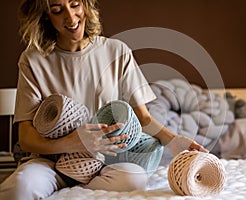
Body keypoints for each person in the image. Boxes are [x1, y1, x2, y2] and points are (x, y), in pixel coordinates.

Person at [0, 0, 208, 199]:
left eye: (75, 5)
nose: (71, 16)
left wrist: (175, 141)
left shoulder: (117, 51)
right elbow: (26, 138)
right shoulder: (33, 60)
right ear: (45, 16)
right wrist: (71, 143)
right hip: (49, 164)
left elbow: (142, 118)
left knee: (133, 179)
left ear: (85, 5)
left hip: (103, 166)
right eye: (57, 9)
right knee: (21, 187)